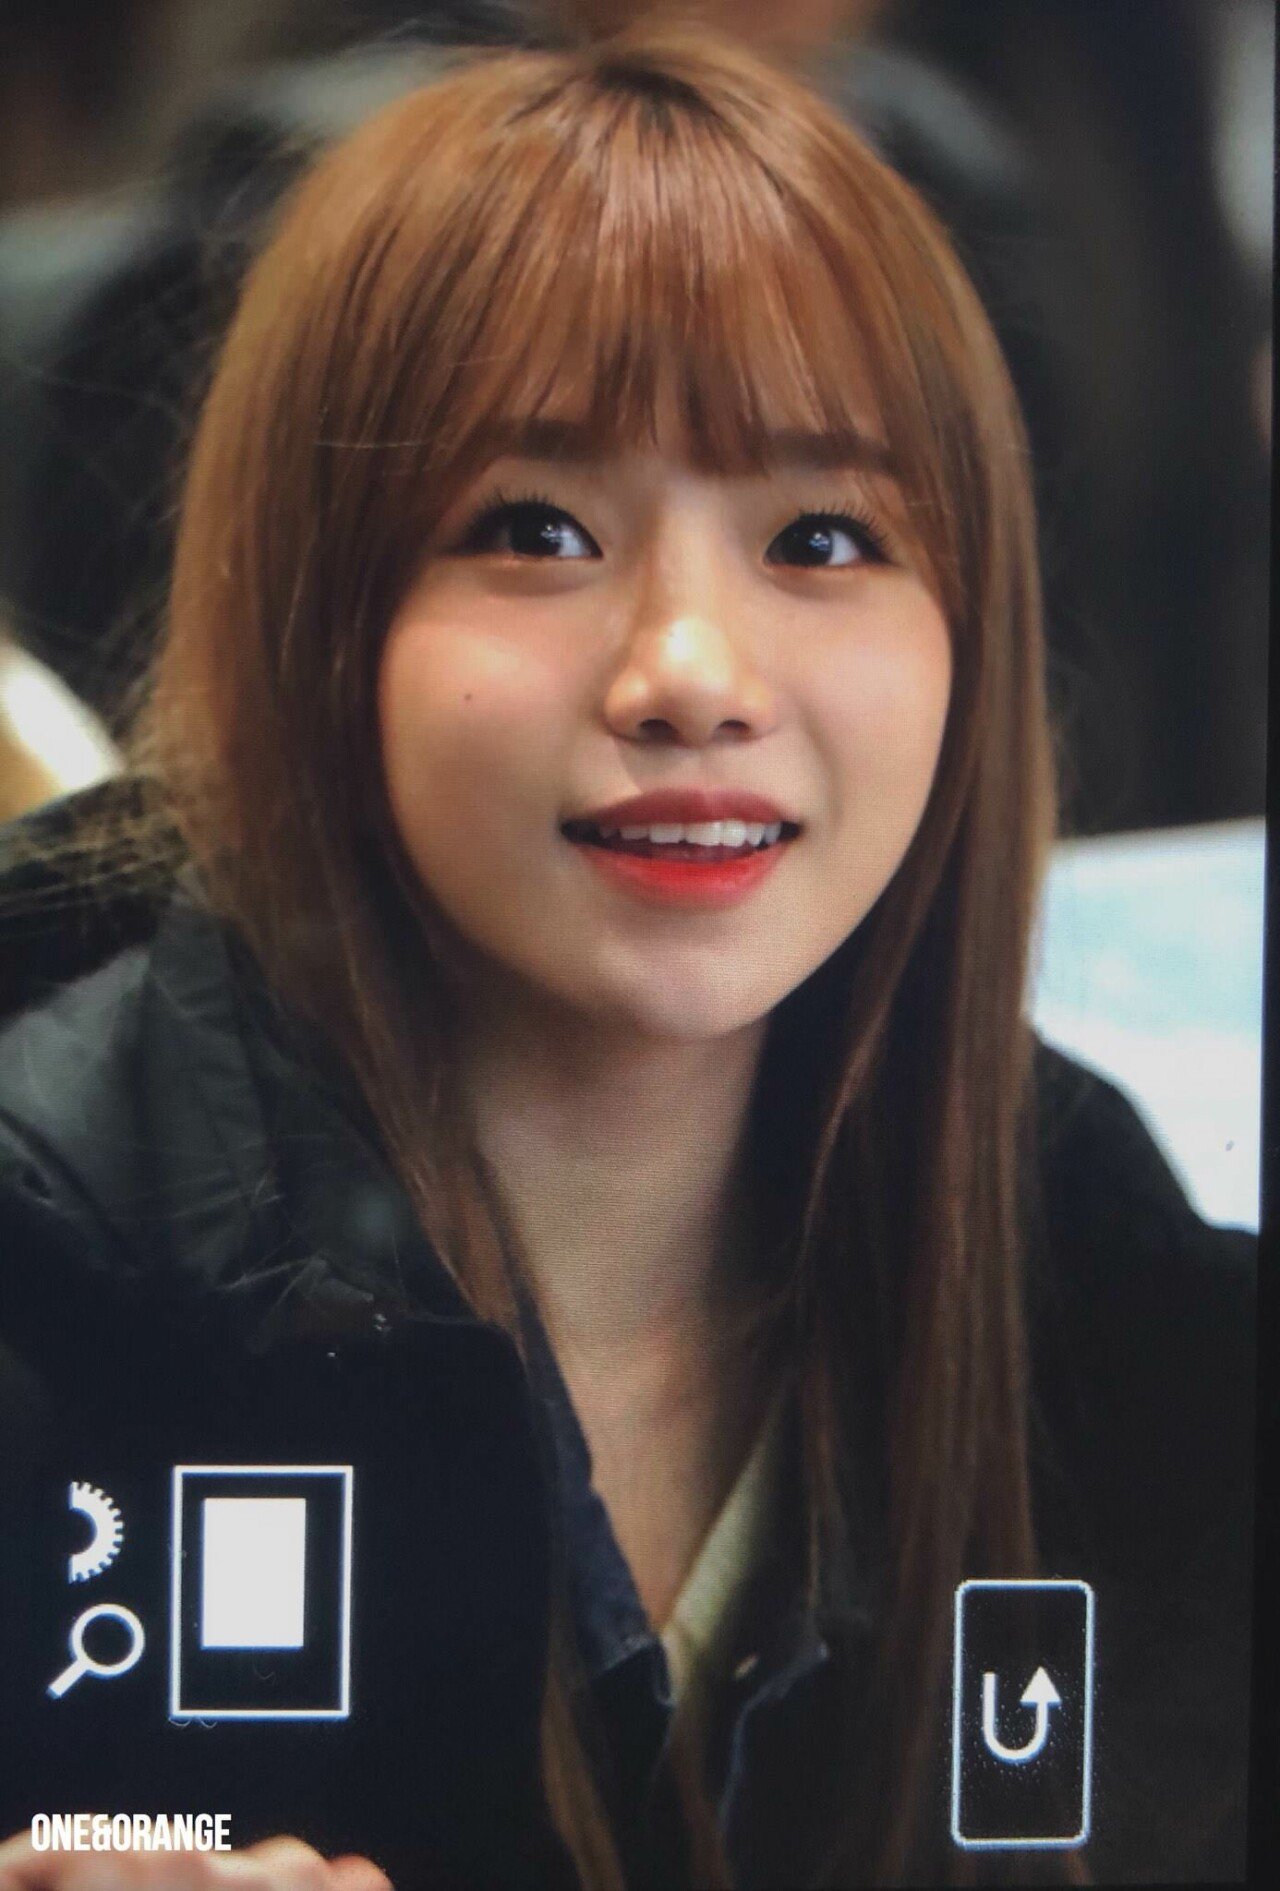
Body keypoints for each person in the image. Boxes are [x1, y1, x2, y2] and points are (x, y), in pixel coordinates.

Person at [0, 23, 1253, 1890]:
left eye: (822, 535)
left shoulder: (1112, 1295)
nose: (693, 675)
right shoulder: (51, 1256)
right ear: (325, 625)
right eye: (538, 529)